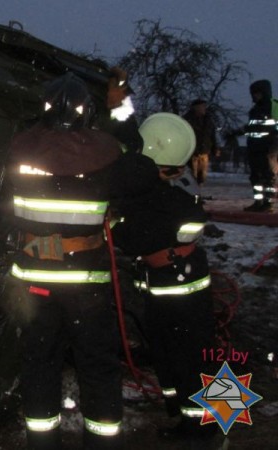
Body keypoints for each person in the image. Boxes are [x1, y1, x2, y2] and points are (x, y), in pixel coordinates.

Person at [4, 73, 124, 449]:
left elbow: (4, 211)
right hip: (86, 281)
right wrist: (120, 105)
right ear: (86, 112)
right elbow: (127, 188)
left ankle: (42, 443)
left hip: (35, 281)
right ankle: (103, 443)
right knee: (98, 365)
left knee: (39, 363)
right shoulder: (106, 152)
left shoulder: (20, 148)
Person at [110, 113, 217, 445]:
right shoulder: (171, 188)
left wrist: (113, 224)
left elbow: (133, 237)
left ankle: (207, 428)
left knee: (190, 358)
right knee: (172, 353)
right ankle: (186, 415)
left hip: (177, 288)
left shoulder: (160, 197)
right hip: (172, 283)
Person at [242, 79, 278, 212]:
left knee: (268, 176)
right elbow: (253, 127)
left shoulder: (274, 105)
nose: (255, 96)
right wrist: (239, 132)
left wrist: (273, 142)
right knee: (255, 176)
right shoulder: (255, 109)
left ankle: (267, 203)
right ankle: (258, 202)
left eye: (257, 93)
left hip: (269, 147)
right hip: (254, 147)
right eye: (253, 93)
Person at [182, 99, 220, 185]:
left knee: (201, 177)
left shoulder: (208, 120)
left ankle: (198, 193)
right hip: (192, 153)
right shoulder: (187, 120)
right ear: (196, 107)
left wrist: (215, 148)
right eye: (202, 106)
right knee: (191, 176)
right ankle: (192, 194)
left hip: (204, 152)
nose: (204, 108)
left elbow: (212, 135)